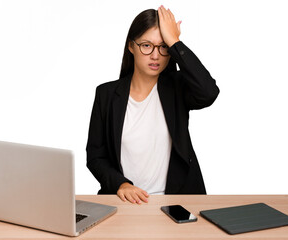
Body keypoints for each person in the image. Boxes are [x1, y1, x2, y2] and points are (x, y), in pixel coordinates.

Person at [86, 5, 219, 204]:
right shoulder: (106, 94)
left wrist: (175, 41)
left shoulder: (177, 88)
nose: (155, 55)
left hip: (175, 203)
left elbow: (209, 92)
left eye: (163, 47)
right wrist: (121, 185)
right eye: (147, 45)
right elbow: (96, 157)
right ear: (131, 46)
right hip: (124, 203)